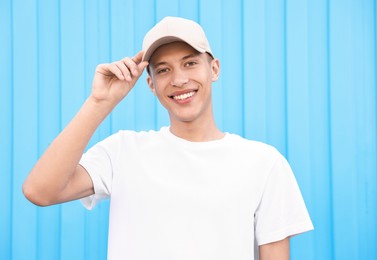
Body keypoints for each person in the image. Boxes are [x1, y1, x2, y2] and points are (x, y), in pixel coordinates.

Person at [23, 16, 313, 260]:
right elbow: (40, 191)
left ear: (214, 69)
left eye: (189, 63)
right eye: (163, 70)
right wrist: (100, 101)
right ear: (150, 84)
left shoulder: (264, 163)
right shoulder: (123, 151)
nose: (178, 80)